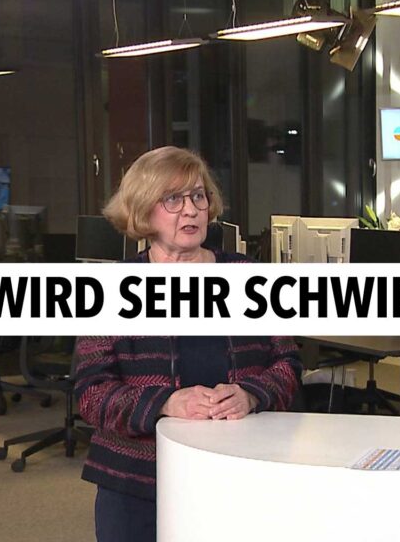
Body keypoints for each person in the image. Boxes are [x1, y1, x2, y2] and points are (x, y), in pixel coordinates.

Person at [75, 146, 302, 542]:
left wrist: (251, 394)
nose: (191, 210)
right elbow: (91, 394)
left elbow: (288, 365)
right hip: (137, 479)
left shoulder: (249, 277)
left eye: (199, 196)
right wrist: (165, 402)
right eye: (173, 199)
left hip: (240, 472)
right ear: (143, 209)